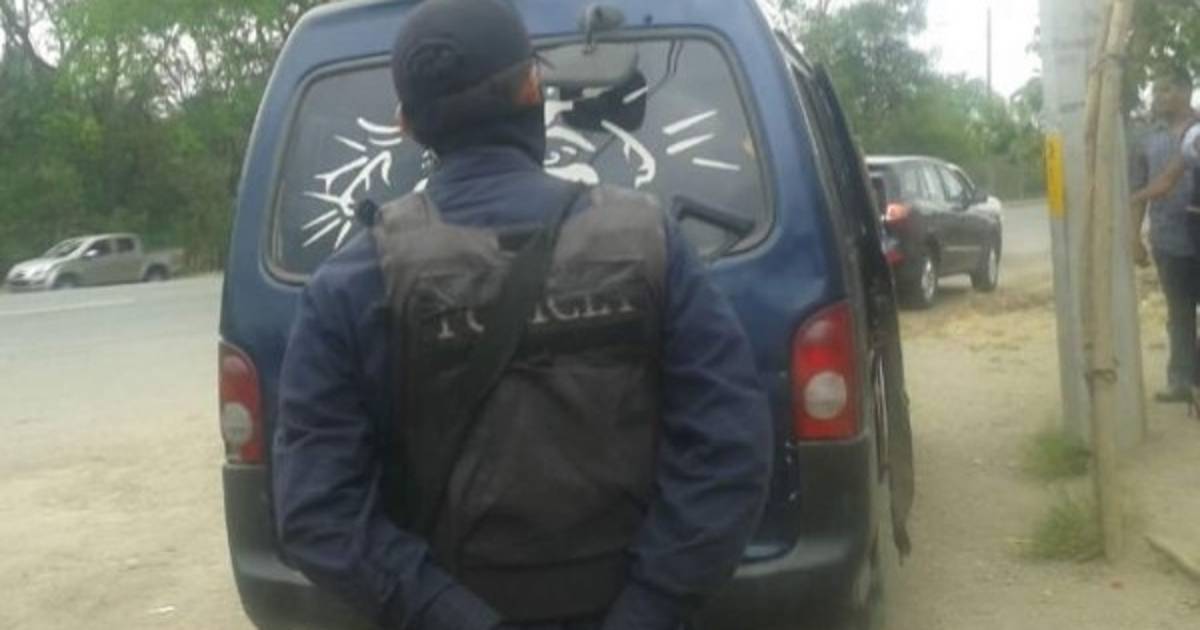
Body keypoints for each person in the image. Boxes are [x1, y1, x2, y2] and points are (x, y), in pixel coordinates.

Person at [271, 1, 773, 629]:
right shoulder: (650, 240)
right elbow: (730, 448)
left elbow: (318, 510)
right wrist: (650, 607)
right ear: (533, 87)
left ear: (405, 124)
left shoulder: (351, 282)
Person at [1131, 68, 1199, 403]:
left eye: (1167, 89)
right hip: (1169, 240)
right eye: (1155, 90)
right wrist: (1133, 235)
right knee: (1179, 312)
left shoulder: (1196, 130)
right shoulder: (1145, 138)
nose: (1158, 97)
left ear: (1186, 91)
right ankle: (1182, 382)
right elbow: (1152, 184)